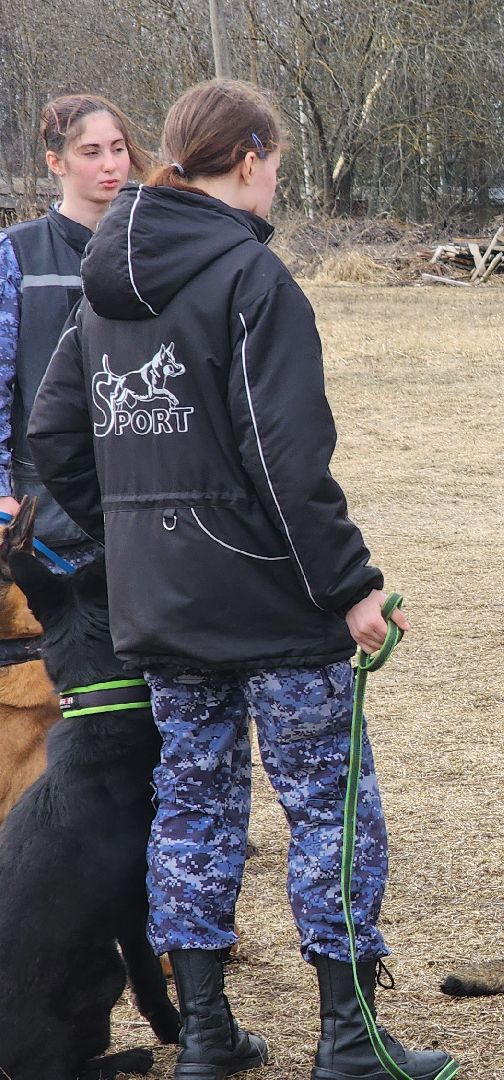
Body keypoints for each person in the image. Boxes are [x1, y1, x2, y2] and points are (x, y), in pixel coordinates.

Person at [26, 79, 455, 1080]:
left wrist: (133, 544)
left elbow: (54, 438)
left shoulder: (103, 279)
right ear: (251, 159)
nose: (277, 185)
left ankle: (207, 1037)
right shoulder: (253, 280)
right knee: (332, 811)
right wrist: (351, 588)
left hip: (163, 610)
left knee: (193, 809)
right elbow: (286, 462)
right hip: (275, 609)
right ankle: (348, 1038)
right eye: (278, 166)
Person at [0, 94, 150, 556]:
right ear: (56, 162)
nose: (110, 164)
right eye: (91, 152)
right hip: (47, 515)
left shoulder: (154, 252)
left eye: (118, 148)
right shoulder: (16, 254)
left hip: (143, 510)